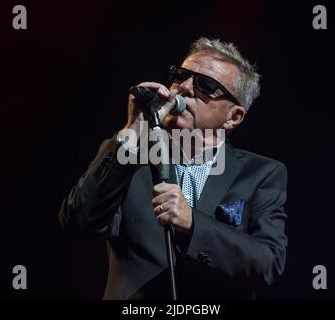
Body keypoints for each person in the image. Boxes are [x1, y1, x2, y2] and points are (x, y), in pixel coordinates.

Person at [59, 37, 288, 300]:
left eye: (206, 85)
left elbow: (268, 264)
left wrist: (193, 224)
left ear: (233, 116)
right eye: (181, 76)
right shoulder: (129, 157)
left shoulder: (261, 173)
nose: (186, 87)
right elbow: (78, 222)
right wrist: (132, 134)